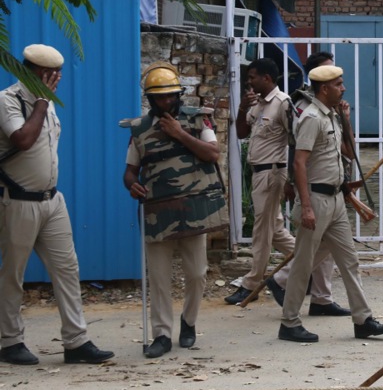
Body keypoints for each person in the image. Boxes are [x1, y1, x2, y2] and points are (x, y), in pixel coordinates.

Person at [0, 44, 114, 366]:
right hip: (17, 201)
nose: (55, 80)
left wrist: (43, 102)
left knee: (68, 269)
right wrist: (40, 102)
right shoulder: (9, 99)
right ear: (29, 72)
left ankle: (76, 341)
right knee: (13, 274)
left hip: (52, 200)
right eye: (48, 75)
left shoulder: (47, 104)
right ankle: (10, 342)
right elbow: (22, 140)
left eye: (57, 74)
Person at [275, 62, 383, 343]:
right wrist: (305, 206)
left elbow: (348, 153)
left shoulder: (332, 116)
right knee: (304, 264)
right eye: (339, 84)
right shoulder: (312, 118)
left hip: (336, 199)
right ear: (325, 88)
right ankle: (289, 322)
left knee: (349, 260)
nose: (344, 88)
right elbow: (299, 164)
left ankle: (363, 319)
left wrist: (347, 119)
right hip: (315, 200)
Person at [124, 61, 226, 358]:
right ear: (150, 99)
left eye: (170, 96)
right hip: (158, 212)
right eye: (159, 97)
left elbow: (213, 154)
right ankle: (162, 334)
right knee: (158, 277)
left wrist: (179, 133)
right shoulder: (140, 129)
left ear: (178, 95)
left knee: (197, 274)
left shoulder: (198, 121)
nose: (165, 102)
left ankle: (189, 322)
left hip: (195, 209)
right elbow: (130, 171)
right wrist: (131, 184)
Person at [225, 58, 296, 306]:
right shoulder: (258, 104)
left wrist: (292, 182)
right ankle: (307, 263)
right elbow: (241, 133)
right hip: (258, 174)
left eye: (253, 77)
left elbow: (295, 142)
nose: (249, 82)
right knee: (274, 230)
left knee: (261, 232)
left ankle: (251, 284)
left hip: (273, 174)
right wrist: (243, 108)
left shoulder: (283, 103)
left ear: (267, 78)